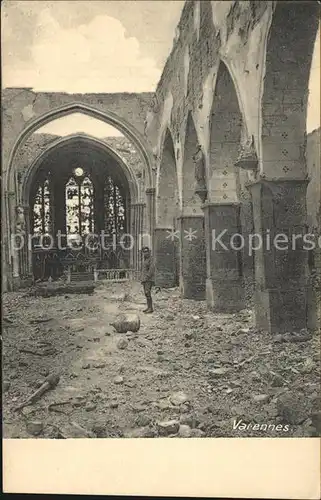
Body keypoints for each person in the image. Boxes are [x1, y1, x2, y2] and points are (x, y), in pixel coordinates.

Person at [141, 246, 155, 313]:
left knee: (147, 293)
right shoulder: (145, 260)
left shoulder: (151, 259)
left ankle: (150, 308)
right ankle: (148, 307)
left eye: (146, 251)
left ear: (149, 252)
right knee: (146, 294)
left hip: (149, 280)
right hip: (145, 280)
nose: (145, 253)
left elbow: (151, 270)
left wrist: (146, 277)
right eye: (144, 252)